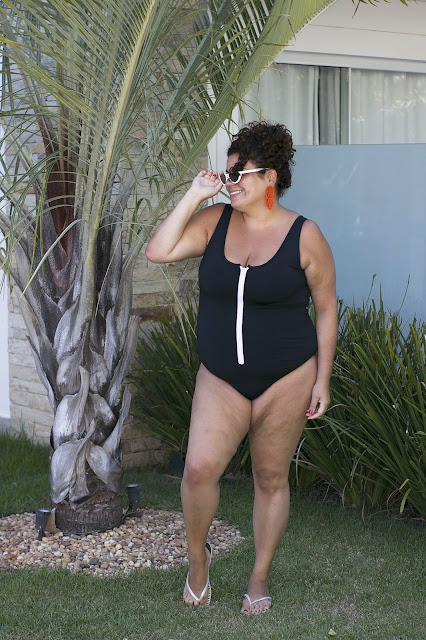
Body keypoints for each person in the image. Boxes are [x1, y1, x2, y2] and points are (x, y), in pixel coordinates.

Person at [145, 121, 337, 614]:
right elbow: (158, 251)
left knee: (270, 478)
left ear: (270, 177)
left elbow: (326, 308)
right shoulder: (215, 221)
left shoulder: (305, 235)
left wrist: (322, 378)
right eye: (226, 172)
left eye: (239, 173)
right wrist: (195, 194)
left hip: (287, 376)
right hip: (221, 375)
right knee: (198, 470)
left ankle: (259, 575)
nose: (229, 182)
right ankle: (197, 562)